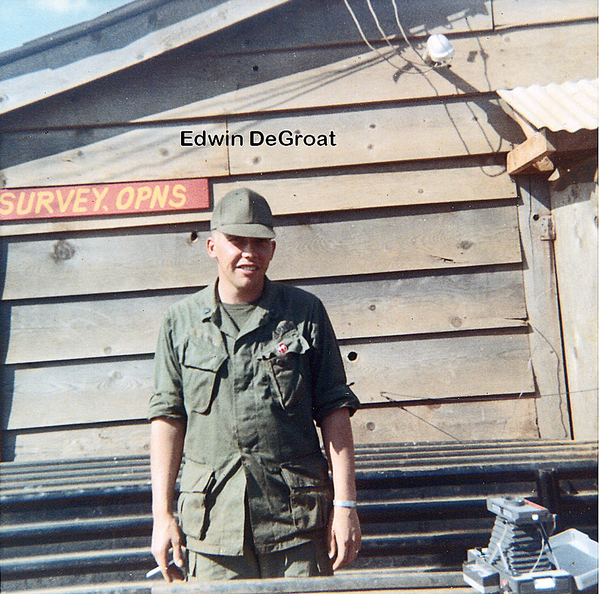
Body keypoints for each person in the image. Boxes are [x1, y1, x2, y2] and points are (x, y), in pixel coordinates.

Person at [148, 188, 361, 582]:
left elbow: (334, 410)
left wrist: (345, 505)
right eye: (236, 241)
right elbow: (167, 419)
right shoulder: (180, 322)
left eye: (260, 241)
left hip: (295, 525)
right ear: (212, 246)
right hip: (213, 528)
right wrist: (163, 516)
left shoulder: (304, 313)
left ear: (273, 248)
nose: (250, 252)